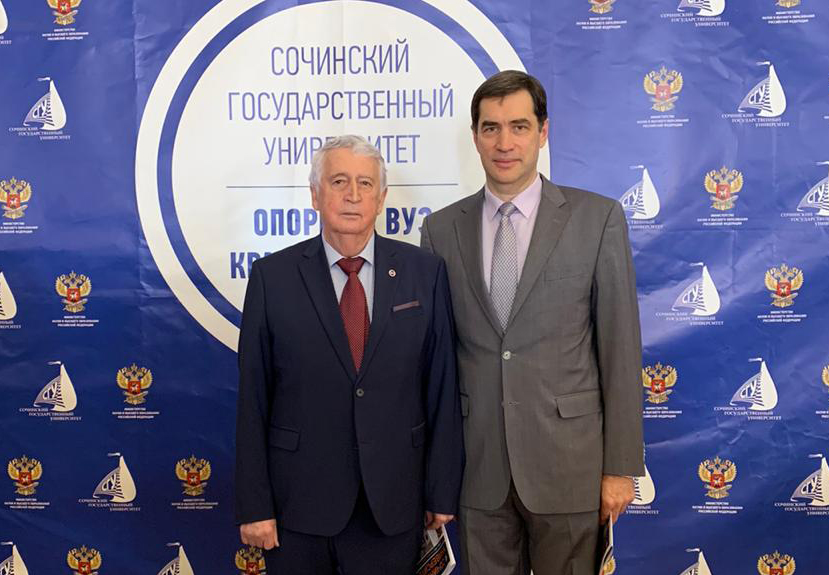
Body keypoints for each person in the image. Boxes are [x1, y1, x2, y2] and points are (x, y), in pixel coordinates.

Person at [420, 70, 643, 575]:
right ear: (475, 136)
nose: (505, 143)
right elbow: (435, 362)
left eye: (519, 127)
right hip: (478, 472)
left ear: (543, 133)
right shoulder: (440, 230)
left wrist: (620, 468)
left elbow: (620, 351)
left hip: (571, 467)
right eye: (491, 128)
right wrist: (435, 474)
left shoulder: (597, 219)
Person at [235, 135, 463, 574]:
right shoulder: (271, 277)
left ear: (382, 198)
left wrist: (441, 490)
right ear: (315, 195)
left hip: (393, 504)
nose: (353, 195)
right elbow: (253, 400)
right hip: (296, 506)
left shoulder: (425, 272)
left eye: (365, 183)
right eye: (339, 181)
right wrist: (254, 505)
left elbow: (441, 387)